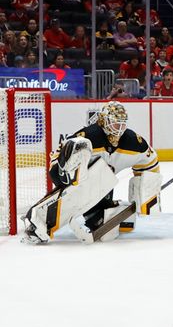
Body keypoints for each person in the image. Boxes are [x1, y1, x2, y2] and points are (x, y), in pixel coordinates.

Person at [22, 101, 161, 245]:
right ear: (104, 121)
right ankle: (38, 220)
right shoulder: (89, 136)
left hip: (101, 185)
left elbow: (150, 162)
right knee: (87, 174)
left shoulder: (133, 142)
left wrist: (145, 196)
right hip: (66, 176)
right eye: (115, 124)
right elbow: (60, 156)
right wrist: (67, 178)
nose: (119, 130)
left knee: (106, 231)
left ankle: (96, 215)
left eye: (122, 124)